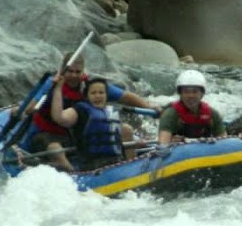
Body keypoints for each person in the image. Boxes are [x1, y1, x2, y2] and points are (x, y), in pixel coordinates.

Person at [22, 51, 160, 170]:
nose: (74, 75)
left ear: (83, 71)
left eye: (78, 72)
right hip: (47, 132)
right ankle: (71, 173)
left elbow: (124, 96)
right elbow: (31, 108)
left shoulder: (91, 87)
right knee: (55, 148)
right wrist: (55, 88)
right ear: (62, 70)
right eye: (70, 71)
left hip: (76, 133)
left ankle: (130, 167)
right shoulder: (52, 84)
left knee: (126, 130)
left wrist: (148, 107)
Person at [48, 76, 145, 171]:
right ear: (87, 96)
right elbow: (59, 117)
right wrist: (58, 89)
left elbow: (114, 134)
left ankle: (132, 168)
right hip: (93, 165)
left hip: (116, 161)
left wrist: (137, 141)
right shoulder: (80, 110)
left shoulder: (110, 112)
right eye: (93, 93)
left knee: (126, 129)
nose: (98, 96)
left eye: (101, 92)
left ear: (106, 95)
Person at [158, 69, 226, 144]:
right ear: (180, 94)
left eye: (195, 91)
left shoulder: (212, 114)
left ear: (202, 94)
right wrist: (170, 143)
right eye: (186, 92)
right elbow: (163, 145)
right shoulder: (170, 114)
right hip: (179, 151)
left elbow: (224, 142)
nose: (190, 96)